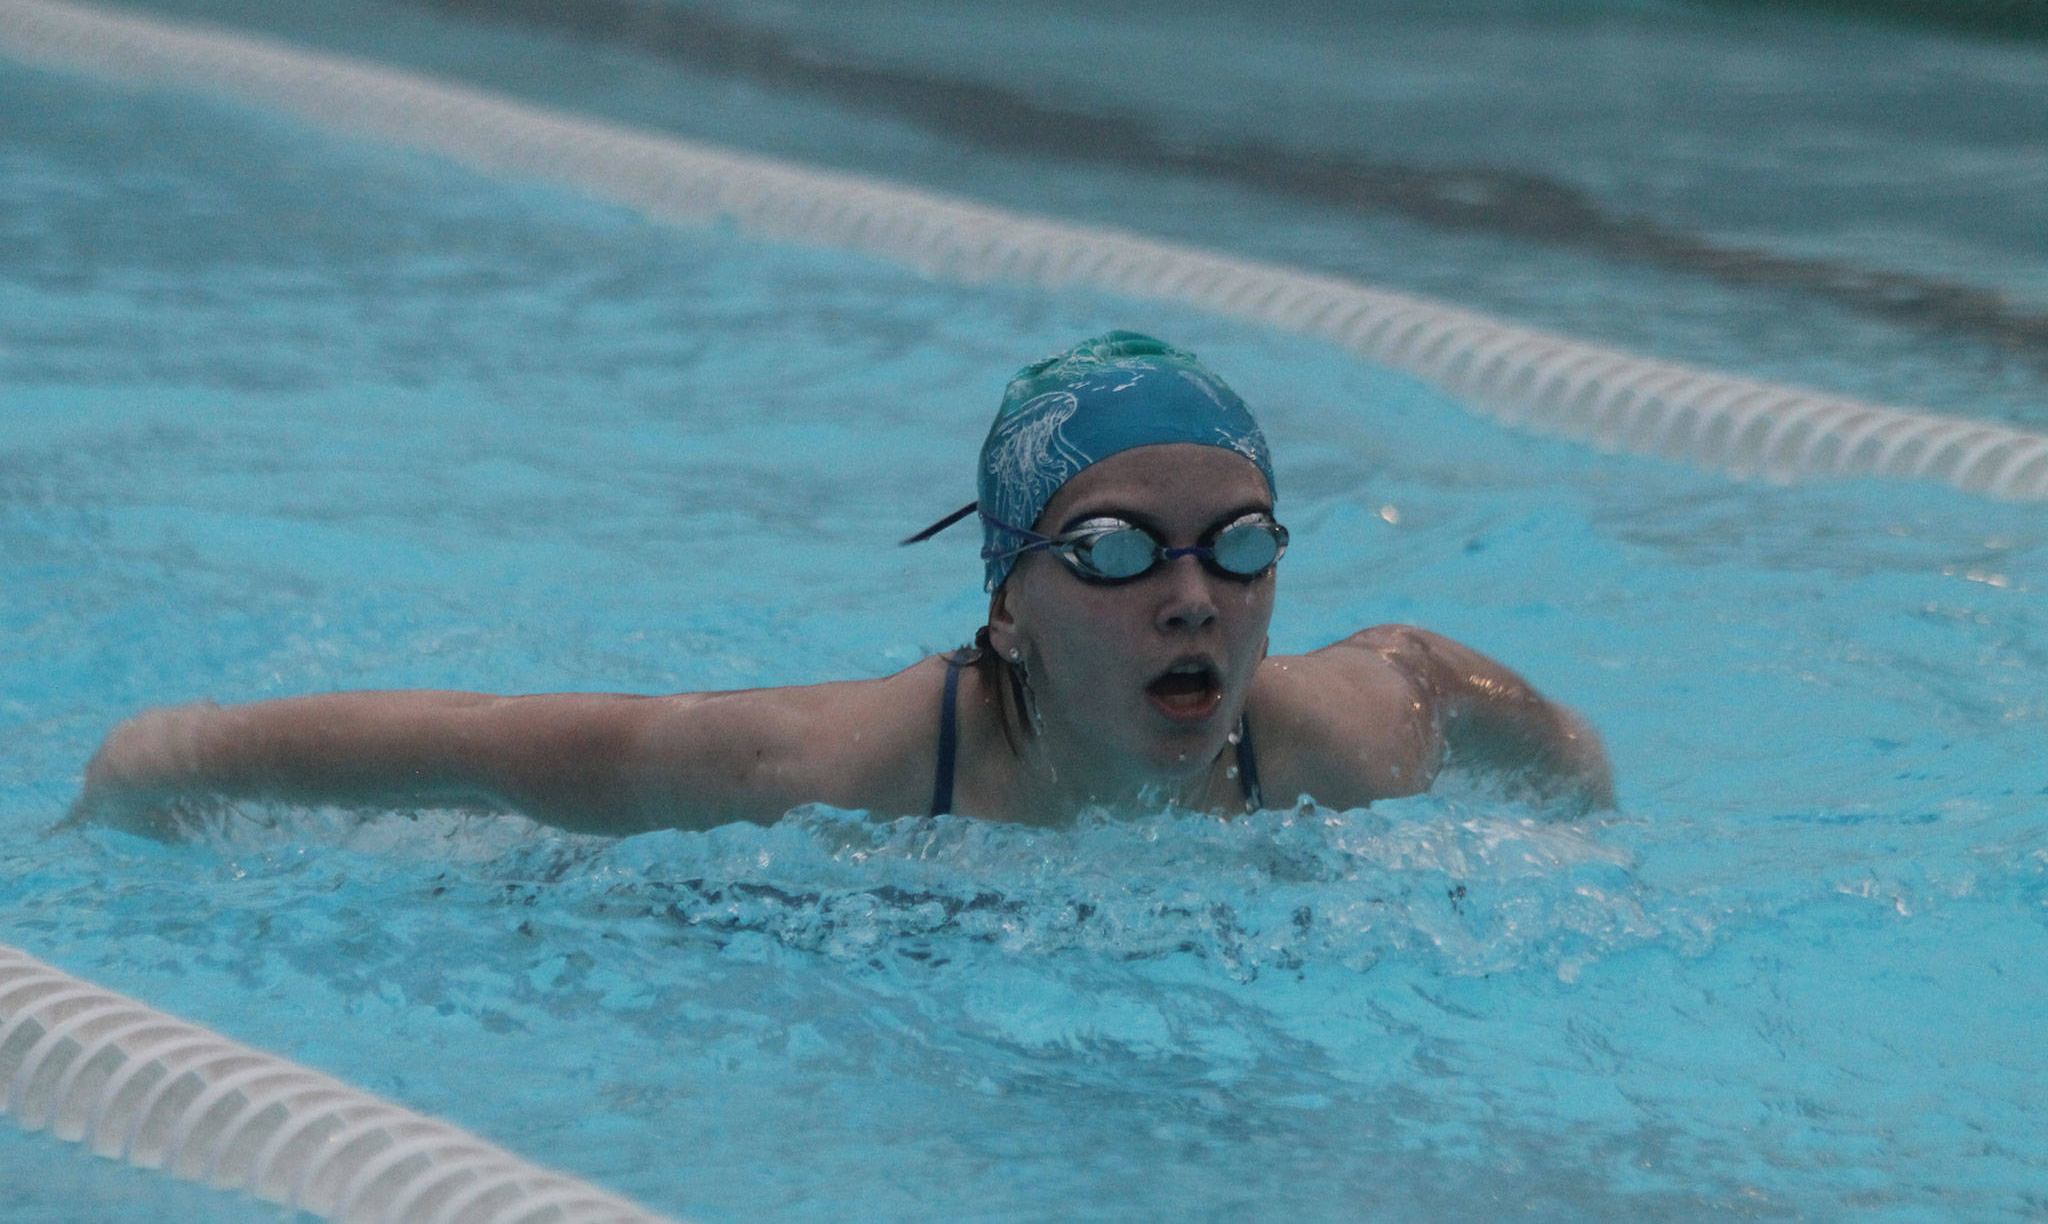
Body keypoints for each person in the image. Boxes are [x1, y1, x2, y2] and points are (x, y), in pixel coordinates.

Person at [72, 332, 1612, 836]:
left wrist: (1589, 821)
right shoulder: (835, 769)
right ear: (1008, 596)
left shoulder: (1334, 735)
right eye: (1120, 549)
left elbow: (1463, 687)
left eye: (1244, 541)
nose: (1194, 593)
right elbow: (492, 739)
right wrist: (183, 757)